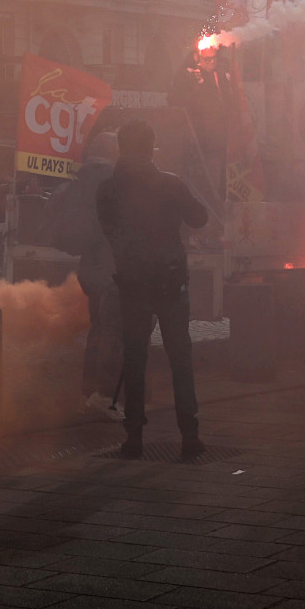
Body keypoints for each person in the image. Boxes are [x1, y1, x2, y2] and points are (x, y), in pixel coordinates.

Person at [96, 119, 210, 460]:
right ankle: (189, 436)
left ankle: (134, 439)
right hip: (171, 282)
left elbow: (110, 232)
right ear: (151, 147)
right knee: (180, 359)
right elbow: (200, 218)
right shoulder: (170, 184)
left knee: (134, 360)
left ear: (121, 148)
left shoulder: (107, 190)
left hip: (132, 284)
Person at [46, 131, 123, 420]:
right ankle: (104, 397)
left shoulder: (80, 181)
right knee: (114, 334)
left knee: (99, 330)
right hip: (112, 265)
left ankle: (90, 394)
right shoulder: (115, 182)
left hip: (90, 266)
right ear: (113, 151)